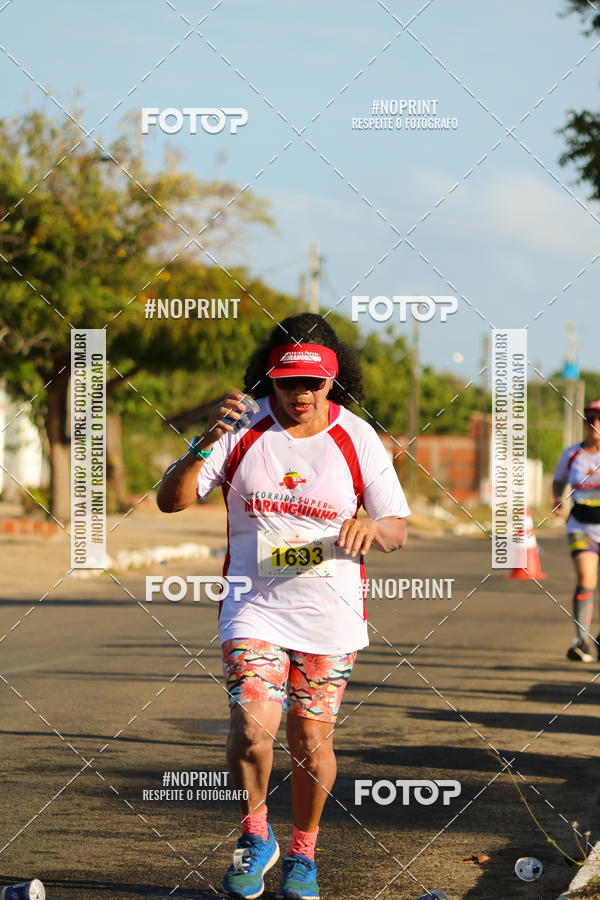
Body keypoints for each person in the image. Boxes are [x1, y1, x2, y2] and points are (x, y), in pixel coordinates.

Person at [157, 313, 410, 899]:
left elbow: (397, 530)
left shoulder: (356, 436)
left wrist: (370, 526)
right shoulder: (243, 428)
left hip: (331, 614)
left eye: (314, 384)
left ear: (334, 380)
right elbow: (172, 500)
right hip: (253, 607)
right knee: (252, 727)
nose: (301, 395)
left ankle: (303, 852)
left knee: (310, 739)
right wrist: (201, 441)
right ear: (267, 378)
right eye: (287, 382)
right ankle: (254, 836)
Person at [552, 397, 600, 663]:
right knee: (587, 579)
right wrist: (557, 499)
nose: (593, 424)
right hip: (581, 525)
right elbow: (558, 481)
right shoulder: (573, 455)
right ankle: (581, 640)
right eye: (588, 419)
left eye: (597, 419)